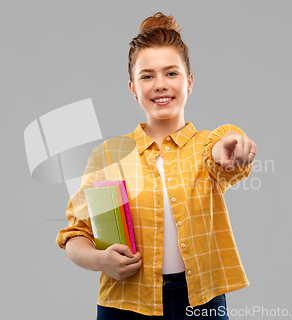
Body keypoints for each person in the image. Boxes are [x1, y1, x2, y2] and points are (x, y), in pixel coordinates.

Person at [56, 12, 257, 319]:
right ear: (133, 88)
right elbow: (75, 235)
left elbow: (221, 153)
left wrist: (232, 145)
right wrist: (102, 261)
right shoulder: (109, 155)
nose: (160, 85)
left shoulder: (206, 146)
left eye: (171, 73)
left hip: (201, 300)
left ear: (189, 82)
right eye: (147, 76)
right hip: (125, 302)